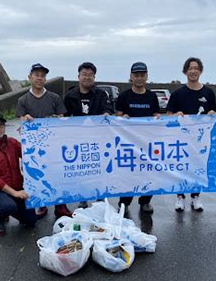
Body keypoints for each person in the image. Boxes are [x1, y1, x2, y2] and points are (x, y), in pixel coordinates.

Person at [16, 63, 72, 219]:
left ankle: (61, 206)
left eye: (43, 76)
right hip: (34, 148)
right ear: (30, 78)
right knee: (37, 176)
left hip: (53, 145)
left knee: (57, 174)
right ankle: (41, 204)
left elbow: (61, 118)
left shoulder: (54, 97)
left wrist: (51, 119)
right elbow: (21, 120)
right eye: (37, 75)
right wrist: (25, 119)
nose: (40, 78)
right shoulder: (23, 99)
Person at [166, 57, 216, 212]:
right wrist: (176, 114)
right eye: (190, 68)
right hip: (181, 138)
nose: (193, 71)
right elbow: (168, 115)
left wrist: (212, 113)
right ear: (185, 71)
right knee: (181, 166)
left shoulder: (208, 93)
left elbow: (213, 113)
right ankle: (180, 197)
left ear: (200, 71)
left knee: (198, 166)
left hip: (200, 139)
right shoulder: (177, 94)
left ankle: (196, 196)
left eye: (196, 68)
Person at [64, 62, 113, 209]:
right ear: (78, 76)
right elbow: (63, 117)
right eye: (84, 74)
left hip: (98, 139)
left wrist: (107, 114)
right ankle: (83, 197)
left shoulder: (101, 94)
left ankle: (100, 197)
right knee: (82, 169)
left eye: (90, 75)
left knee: (100, 169)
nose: (87, 77)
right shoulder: (70, 96)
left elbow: (109, 110)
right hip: (78, 140)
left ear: (94, 77)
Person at [116, 61, 160, 214]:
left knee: (149, 173)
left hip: (148, 143)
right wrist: (123, 118)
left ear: (146, 76)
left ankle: (145, 202)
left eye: (142, 75)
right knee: (129, 174)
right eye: (136, 75)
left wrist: (157, 118)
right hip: (129, 144)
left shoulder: (152, 96)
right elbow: (118, 118)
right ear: (131, 77)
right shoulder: (124, 96)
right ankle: (124, 202)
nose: (139, 78)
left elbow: (156, 115)